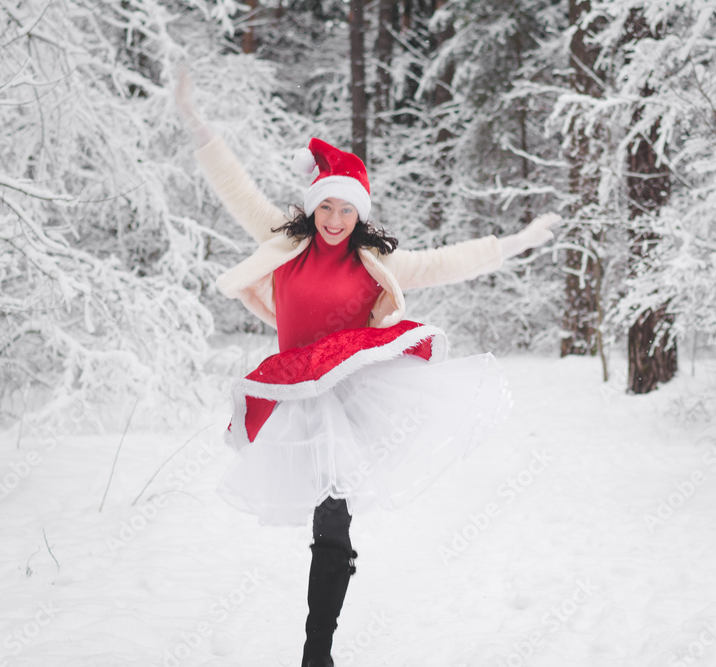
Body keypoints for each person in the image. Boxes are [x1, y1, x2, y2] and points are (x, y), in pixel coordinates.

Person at [175, 68, 560, 667]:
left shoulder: (373, 262)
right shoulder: (286, 244)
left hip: (355, 395)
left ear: (359, 215)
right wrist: (196, 122)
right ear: (312, 207)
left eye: (345, 210)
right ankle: (325, 611)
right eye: (325, 206)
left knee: (333, 517)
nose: (333, 220)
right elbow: (237, 188)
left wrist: (514, 243)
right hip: (298, 392)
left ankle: (316, 652)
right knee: (323, 511)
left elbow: (443, 263)